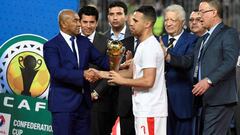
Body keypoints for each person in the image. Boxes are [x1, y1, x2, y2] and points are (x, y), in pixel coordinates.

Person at [163, 0, 240, 134]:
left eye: (202, 12)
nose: (200, 16)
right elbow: (189, 61)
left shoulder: (228, 33)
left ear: (214, 13)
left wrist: (209, 80)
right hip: (203, 99)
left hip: (220, 98)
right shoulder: (203, 39)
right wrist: (168, 56)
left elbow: (230, 61)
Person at [43, 9, 109, 135]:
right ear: (63, 24)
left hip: (84, 104)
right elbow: (56, 72)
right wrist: (83, 74)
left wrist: (120, 63)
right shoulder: (51, 45)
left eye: (79, 21)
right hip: (63, 105)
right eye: (76, 21)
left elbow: (101, 60)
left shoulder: (83, 41)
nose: (80, 24)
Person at [107, 6, 168, 135]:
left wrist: (121, 81)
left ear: (147, 24)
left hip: (150, 109)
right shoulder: (143, 45)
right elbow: (131, 73)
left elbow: (148, 81)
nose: (131, 23)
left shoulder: (150, 47)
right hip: (143, 109)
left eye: (135, 20)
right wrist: (100, 74)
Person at [161, 4, 197, 135]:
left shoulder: (192, 40)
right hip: (160, 102)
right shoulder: (160, 40)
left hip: (182, 100)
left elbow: (187, 62)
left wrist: (167, 56)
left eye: (173, 20)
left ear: (182, 22)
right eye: (166, 20)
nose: (168, 23)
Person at [78, 5, 114, 135]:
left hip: (98, 102)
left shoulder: (107, 42)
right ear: (79, 22)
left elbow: (112, 71)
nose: (88, 26)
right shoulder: (71, 40)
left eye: (92, 22)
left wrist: (96, 92)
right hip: (74, 98)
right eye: (85, 22)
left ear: (97, 23)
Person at [104, 1, 135, 135]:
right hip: (104, 95)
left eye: (119, 14)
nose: (115, 17)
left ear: (126, 16)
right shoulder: (101, 38)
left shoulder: (135, 36)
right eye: (111, 14)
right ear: (107, 17)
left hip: (128, 97)